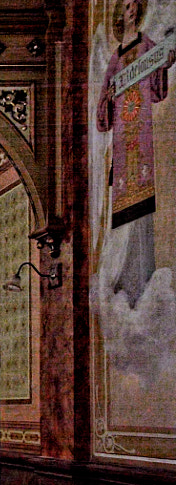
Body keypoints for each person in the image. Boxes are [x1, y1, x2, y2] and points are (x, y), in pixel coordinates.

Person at [95, 0, 175, 306]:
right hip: (122, 147)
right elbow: (102, 113)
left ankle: (141, 279)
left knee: (142, 210)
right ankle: (124, 279)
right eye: (126, 6)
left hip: (140, 144)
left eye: (133, 6)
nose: (131, 10)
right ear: (120, 14)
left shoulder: (146, 45)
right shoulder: (115, 59)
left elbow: (156, 90)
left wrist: (165, 65)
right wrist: (111, 98)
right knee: (123, 216)